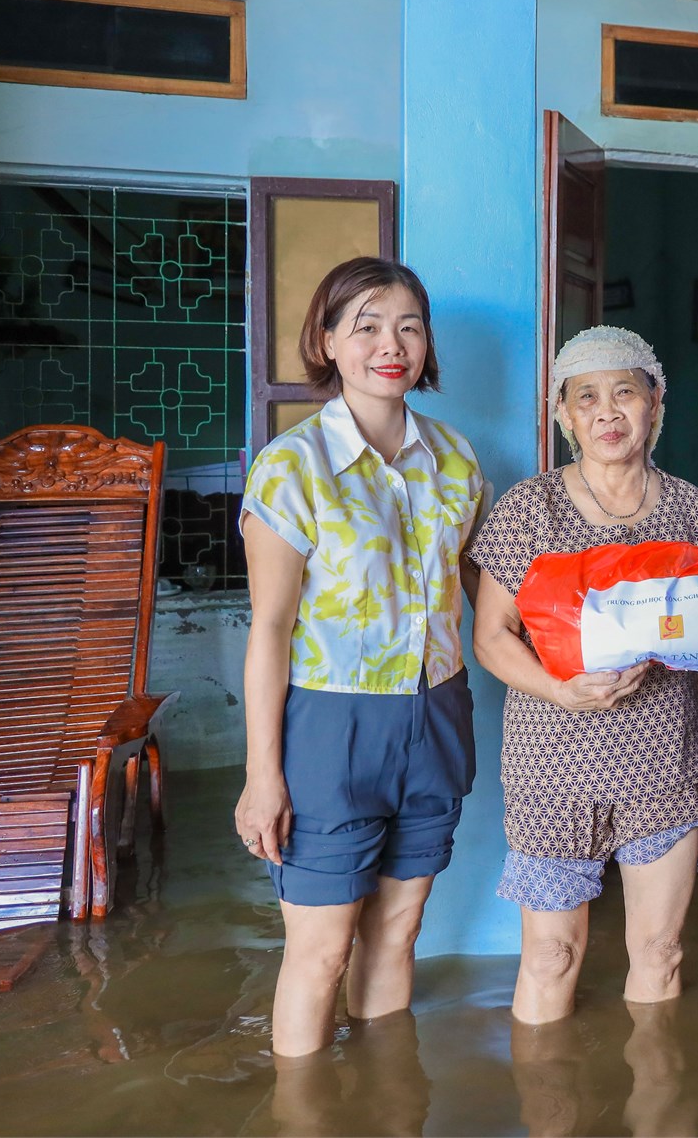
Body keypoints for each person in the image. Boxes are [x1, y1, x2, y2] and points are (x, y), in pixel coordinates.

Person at [234, 257, 486, 1058]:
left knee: (399, 930)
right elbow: (269, 629)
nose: (392, 344)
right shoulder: (292, 467)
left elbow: (483, 595)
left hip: (437, 714)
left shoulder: (456, 460)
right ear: (328, 341)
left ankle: (385, 1103)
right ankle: (303, 1115)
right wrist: (263, 775)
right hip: (330, 726)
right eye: (367, 325)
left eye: (409, 326)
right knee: (321, 949)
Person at [468, 325, 698, 1025]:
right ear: (564, 416)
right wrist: (561, 688)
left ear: (656, 402)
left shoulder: (688, 508)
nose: (607, 413)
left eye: (625, 393)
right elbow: (492, 636)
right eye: (586, 397)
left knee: (660, 950)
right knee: (550, 956)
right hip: (551, 762)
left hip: (662, 759)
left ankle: (658, 1105)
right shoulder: (530, 509)